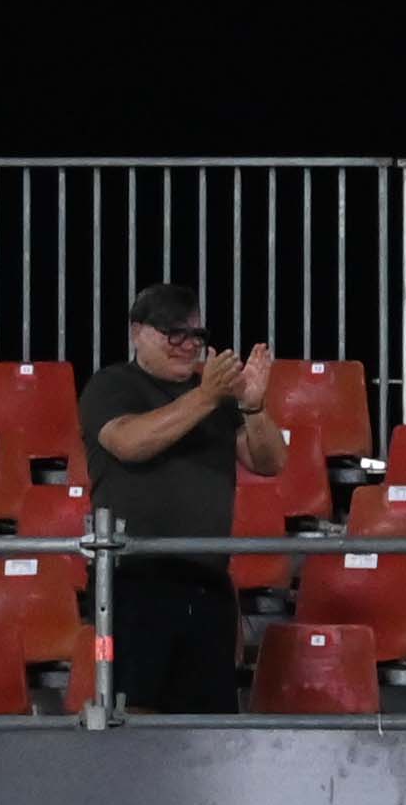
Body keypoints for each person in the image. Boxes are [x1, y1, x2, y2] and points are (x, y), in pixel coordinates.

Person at [78, 281, 286, 714]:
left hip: (206, 579)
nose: (188, 345)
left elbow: (269, 462)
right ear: (137, 332)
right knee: (134, 710)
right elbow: (129, 443)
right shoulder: (112, 385)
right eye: (173, 333)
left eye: (195, 335)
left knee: (210, 718)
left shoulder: (217, 396)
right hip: (134, 578)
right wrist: (206, 396)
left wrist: (253, 406)